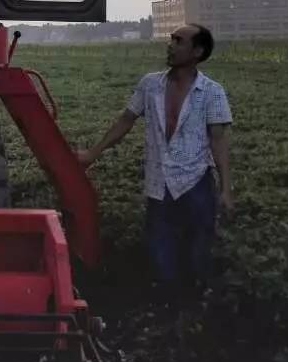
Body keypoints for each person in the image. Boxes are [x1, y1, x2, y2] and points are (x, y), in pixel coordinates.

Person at [77, 24, 233, 302]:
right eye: (171, 39)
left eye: (179, 41)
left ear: (197, 51)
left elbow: (218, 140)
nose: (170, 45)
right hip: (158, 182)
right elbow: (126, 120)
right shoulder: (150, 84)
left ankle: (196, 306)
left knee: (199, 249)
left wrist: (225, 189)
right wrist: (93, 153)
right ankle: (168, 306)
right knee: (160, 250)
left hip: (195, 181)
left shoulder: (212, 92)